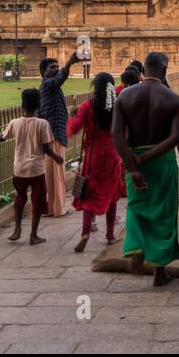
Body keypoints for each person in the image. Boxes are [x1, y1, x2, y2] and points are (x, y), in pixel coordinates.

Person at [112, 52, 179, 286]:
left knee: (137, 207)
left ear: (143, 70)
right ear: (164, 70)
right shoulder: (173, 99)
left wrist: (132, 166)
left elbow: (116, 134)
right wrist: (147, 157)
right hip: (161, 161)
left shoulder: (125, 96)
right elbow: (176, 137)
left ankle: (136, 249)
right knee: (164, 214)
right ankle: (159, 271)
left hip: (132, 158)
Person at [0, 88, 63, 245]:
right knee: (37, 201)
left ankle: (17, 229)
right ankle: (33, 235)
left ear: (21, 106)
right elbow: (46, 149)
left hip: (19, 169)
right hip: (36, 169)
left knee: (20, 198)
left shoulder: (15, 123)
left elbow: (1, 138)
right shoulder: (42, 124)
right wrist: (57, 157)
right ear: (39, 106)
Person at [68, 72, 124, 253]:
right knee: (112, 194)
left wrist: (73, 116)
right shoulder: (117, 107)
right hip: (113, 155)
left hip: (93, 156)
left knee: (89, 194)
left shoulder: (87, 106)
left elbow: (74, 128)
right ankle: (109, 235)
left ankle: (85, 232)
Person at [38, 51, 80, 218]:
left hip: (54, 134)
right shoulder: (48, 84)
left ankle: (52, 207)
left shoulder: (51, 86)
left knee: (52, 174)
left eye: (57, 66)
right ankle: (58, 208)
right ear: (43, 72)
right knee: (57, 173)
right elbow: (60, 78)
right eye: (51, 67)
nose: (55, 69)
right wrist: (69, 62)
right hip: (54, 134)